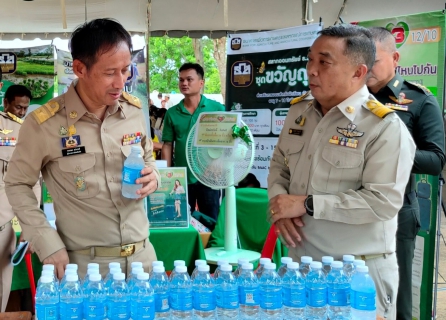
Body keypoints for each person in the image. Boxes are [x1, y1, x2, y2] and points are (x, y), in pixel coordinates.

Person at [267, 24, 416, 318]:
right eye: (310, 60)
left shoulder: (383, 126)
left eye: (324, 62)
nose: (311, 70)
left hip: (356, 275)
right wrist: (280, 207)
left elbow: (382, 202)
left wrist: (307, 204)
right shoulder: (299, 112)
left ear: (358, 72)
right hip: (299, 269)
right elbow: (278, 166)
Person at [5, 18, 160, 280]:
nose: (120, 82)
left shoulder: (134, 111)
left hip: (142, 262)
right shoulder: (44, 124)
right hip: (86, 270)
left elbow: (146, 157)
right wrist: (46, 240)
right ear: (80, 68)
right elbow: (17, 184)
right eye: (110, 72)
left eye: (125, 70)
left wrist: (153, 176)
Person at [366, 27, 445, 320]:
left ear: (395, 57)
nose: (366, 67)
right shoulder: (350, 99)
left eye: (374, 59)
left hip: (395, 214)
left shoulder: (419, 100)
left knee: (395, 301)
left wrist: (389, 151)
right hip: (348, 208)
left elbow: (436, 161)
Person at [162, 63, 225, 221]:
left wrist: (218, 164)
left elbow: (226, 143)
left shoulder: (216, 109)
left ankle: (208, 247)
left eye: (189, 79)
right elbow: (167, 145)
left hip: (209, 178)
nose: (184, 83)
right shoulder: (171, 113)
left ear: (201, 83)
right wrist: (167, 175)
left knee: (210, 222)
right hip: (181, 178)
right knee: (181, 221)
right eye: (181, 80)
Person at [0, 82, 41, 312]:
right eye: (18, 108)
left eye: (25, 108)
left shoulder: (27, 133)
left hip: (2, 228)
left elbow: (33, 183)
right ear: (6, 104)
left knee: (1, 289)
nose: (22, 112)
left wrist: (28, 225)